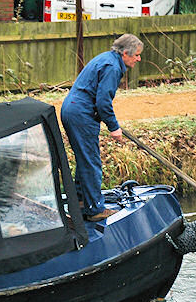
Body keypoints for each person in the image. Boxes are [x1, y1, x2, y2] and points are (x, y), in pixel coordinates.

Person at [61, 33, 143, 222]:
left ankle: (82, 202)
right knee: (91, 162)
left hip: (73, 109)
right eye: (136, 55)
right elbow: (103, 101)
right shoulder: (113, 67)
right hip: (80, 113)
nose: (138, 58)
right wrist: (114, 127)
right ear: (125, 53)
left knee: (85, 159)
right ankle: (94, 209)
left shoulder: (107, 59)